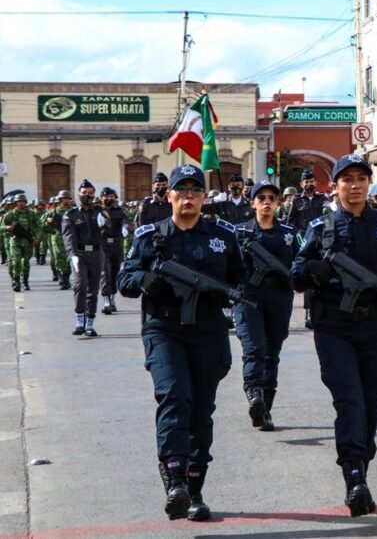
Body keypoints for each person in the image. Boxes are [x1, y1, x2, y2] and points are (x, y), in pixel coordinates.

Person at [290, 154, 377, 517]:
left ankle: (362, 464)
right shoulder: (321, 227)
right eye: (348, 179)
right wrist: (314, 272)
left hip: (376, 326)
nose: (355, 185)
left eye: (362, 178)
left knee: (372, 400)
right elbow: (296, 272)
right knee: (350, 400)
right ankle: (354, 474)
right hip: (334, 328)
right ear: (336, 186)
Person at [117, 164, 244, 521]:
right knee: (175, 397)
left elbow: (241, 279)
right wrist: (147, 280)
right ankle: (174, 478)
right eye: (181, 191)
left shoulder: (223, 236)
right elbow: (123, 279)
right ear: (169, 195)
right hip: (164, 328)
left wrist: (229, 295)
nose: (188, 197)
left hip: (207, 330)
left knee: (201, 411)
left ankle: (194, 488)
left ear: (204, 197)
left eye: (195, 191)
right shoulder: (150, 236)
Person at [234, 180, 298, 432]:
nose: (267, 202)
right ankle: (254, 395)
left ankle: (265, 408)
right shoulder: (239, 233)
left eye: (272, 197)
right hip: (248, 297)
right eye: (261, 198)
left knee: (272, 353)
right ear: (252, 203)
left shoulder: (289, 234)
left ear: (279, 203)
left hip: (279, 298)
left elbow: (300, 263)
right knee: (254, 349)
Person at [285, 169, 330, 329]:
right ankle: (309, 310)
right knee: (307, 275)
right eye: (306, 182)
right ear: (301, 184)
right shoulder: (297, 201)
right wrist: (296, 237)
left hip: (320, 241)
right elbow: (290, 223)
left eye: (311, 182)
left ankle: (323, 308)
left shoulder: (322, 199)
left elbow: (328, 212)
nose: (309, 184)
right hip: (303, 241)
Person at [62, 181, 104, 336]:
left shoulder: (99, 212)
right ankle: (80, 319)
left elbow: (108, 231)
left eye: (90, 193)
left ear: (94, 194)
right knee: (80, 285)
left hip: (95, 254)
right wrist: (72, 254)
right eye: (84, 193)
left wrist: (105, 223)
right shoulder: (71, 215)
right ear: (78, 194)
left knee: (93, 289)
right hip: (79, 254)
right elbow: (69, 236)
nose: (87, 196)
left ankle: (90, 323)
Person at [98, 187, 126, 314]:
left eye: (111, 197)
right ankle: (106, 300)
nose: (109, 199)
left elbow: (125, 221)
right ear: (101, 198)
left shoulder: (119, 211)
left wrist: (126, 227)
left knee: (115, 272)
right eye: (106, 197)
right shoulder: (97, 211)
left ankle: (112, 298)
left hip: (116, 244)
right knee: (105, 272)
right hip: (102, 244)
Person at [3, 193, 39, 292]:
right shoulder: (10, 215)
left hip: (27, 241)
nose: (21, 203)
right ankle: (16, 280)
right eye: (19, 202)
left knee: (26, 262)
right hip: (15, 241)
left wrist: (37, 237)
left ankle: (25, 281)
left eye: (23, 201)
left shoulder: (31, 214)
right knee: (16, 261)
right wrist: (6, 227)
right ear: (16, 203)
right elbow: (1, 227)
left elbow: (38, 225)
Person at [44, 191, 73, 289]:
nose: (67, 201)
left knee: (69, 259)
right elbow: (42, 225)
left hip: (70, 237)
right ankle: (62, 277)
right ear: (60, 200)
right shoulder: (54, 212)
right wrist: (50, 224)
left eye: (69, 199)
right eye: (65, 199)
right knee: (59, 259)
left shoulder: (74, 211)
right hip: (58, 238)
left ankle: (66, 278)